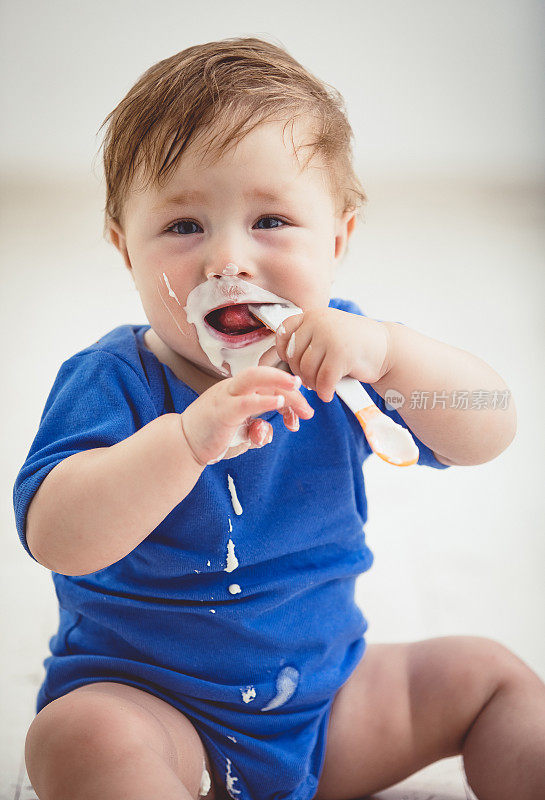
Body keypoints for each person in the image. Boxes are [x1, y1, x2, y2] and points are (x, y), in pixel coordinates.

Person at [13, 37, 545, 800]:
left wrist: (392, 352)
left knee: (491, 677)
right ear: (123, 248)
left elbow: (489, 423)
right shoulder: (112, 379)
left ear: (337, 239)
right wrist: (186, 442)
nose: (228, 259)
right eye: (183, 227)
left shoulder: (343, 358)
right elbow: (56, 537)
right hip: (161, 715)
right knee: (78, 738)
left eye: (270, 220)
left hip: (325, 705)